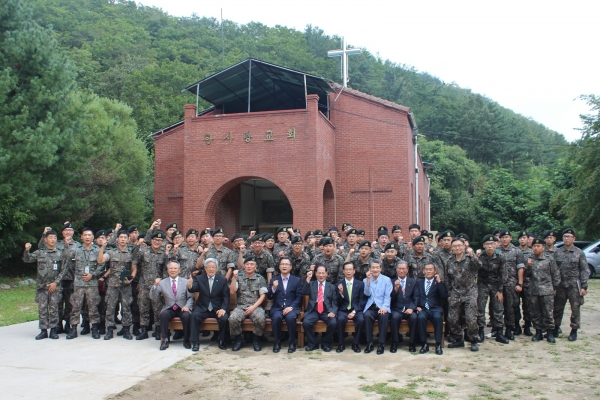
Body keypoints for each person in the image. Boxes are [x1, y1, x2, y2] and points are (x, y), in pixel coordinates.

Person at [23, 230, 66, 340]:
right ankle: (43, 330)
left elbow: (64, 270)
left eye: (54, 238)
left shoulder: (61, 252)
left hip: (55, 286)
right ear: (45, 239)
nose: (53, 239)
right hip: (42, 286)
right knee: (42, 309)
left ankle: (53, 330)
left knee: (54, 309)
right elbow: (27, 259)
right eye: (50, 237)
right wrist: (26, 251)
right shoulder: (40, 252)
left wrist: (55, 283)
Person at [63, 227, 104, 340]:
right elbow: (66, 258)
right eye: (85, 235)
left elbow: (101, 265)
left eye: (89, 235)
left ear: (93, 237)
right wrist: (66, 246)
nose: (87, 237)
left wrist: (93, 275)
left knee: (93, 307)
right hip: (79, 284)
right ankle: (73, 329)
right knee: (75, 307)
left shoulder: (97, 250)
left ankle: (94, 329)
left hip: (92, 284)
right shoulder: (76, 249)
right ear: (81, 237)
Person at [98, 230, 137, 340]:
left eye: (125, 237)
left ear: (128, 239)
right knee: (110, 307)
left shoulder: (131, 252)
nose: (123, 239)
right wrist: (102, 248)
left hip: (126, 284)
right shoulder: (111, 252)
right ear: (117, 239)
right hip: (112, 284)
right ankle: (109, 330)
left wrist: (131, 279)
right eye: (121, 237)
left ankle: (126, 330)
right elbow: (100, 260)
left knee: (126, 307)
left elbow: (134, 268)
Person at [553, 228, 589, 341]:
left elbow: (584, 270)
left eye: (569, 236)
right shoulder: (557, 252)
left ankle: (574, 330)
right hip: (560, 285)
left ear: (574, 238)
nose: (566, 238)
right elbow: (554, 270)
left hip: (574, 285)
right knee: (557, 308)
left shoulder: (579, 253)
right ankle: (555, 328)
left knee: (575, 308)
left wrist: (584, 286)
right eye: (565, 236)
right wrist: (554, 286)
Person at [446, 238, 481, 352]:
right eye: (455, 246)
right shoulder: (449, 261)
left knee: (471, 318)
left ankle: (473, 340)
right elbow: (448, 279)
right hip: (455, 292)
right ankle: (458, 339)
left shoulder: (470, 257)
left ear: (464, 246)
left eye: (459, 245)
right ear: (452, 248)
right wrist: (449, 293)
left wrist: (472, 255)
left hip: (470, 291)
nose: (457, 248)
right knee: (452, 318)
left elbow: (479, 266)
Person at [150, 261, 194, 350]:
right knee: (163, 315)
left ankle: (186, 340)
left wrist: (187, 306)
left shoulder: (185, 281)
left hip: (182, 307)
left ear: (179, 270)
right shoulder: (162, 282)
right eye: (171, 268)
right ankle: (165, 340)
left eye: (175, 268)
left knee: (186, 316)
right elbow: (153, 297)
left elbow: (190, 297)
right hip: (169, 307)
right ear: (167, 270)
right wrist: (155, 285)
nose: (173, 270)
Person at [188, 258, 229, 351]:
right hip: (203, 307)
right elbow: (194, 288)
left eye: (213, 267)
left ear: (216, 268)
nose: (211, 269)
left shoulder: (222, 280)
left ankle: (221, 340)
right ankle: (195, 342)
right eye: (209, 267)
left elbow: (226, 297)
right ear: (205, 268)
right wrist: (190, 286)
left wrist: (223, 309)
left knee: (224, 318)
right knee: (194, 316)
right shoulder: (200, 278)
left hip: (217, 308)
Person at [133, 231, 168, 340]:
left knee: (157, 308)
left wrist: (163, 285)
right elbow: (134, 258)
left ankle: (158, 330)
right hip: (144, 284)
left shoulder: (164, 253)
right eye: (155, 240)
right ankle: (144, 330)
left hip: (157, 286)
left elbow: (166, 270)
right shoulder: (144, 251)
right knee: (143, 308)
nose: (157, 242)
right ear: (151, 241)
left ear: (163, 242)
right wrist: (139, 244)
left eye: (160, 240)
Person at [229, 256, 268, 351]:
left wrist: (253, 307)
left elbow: (263, 295)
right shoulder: (239, 277)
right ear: (244, 266)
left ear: (255, 267)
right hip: (241, 306)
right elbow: (232, 291)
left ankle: (256, 339)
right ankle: (239, 339)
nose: (249, 266)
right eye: (247, 264)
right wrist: (234, 278)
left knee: (260, 318)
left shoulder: (260, 278)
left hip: (255, 306)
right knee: (232, 318)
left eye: (252, 265)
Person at [476, 235, 509, 344]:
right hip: (482, 284)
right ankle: (480, 331)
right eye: (487, 244)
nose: (489, 246)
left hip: (496, 285)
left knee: (498, 308)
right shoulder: (480, 256)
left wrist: (500, 290)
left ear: (495, 245)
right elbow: (475, 271)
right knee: (480, 308)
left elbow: (503, 274)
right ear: (484, 245)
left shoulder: (501, 256)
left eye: (492, 244)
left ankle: (499, 332)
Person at [527, 238, 561, 343]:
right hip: (534, 290)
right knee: (535, 313)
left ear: (543, 247)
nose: (536, 248)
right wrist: (528, 266)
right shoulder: (530, 259)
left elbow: (556, 275)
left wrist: (554, 288)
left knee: (548, 312)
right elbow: (526, 276)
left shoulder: (550, 259)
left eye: (538, 246)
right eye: (534, 246)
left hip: (547, 290)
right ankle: (538, 333)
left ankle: (550, 333)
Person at [267, 257, 303, 353]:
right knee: (276, 318)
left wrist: (291, 307)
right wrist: (273, 288)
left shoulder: (296, 280)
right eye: (282, 264)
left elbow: (299, 296)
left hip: (291, 308)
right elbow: (269, 297)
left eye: (286, 264)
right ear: (279, 267)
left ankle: (292, 342)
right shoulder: (274, 280)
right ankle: (277, 342)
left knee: (290, 318)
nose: (284, 266)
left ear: (290, 267)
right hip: (277, 308)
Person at [302, 265, 338, 352]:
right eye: (319, 273)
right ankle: (313, 344)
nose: (321, 275)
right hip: (313, 310)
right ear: (316, 274)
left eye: (323, 273)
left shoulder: (332, 287)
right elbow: (304, 292)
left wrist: (333, 312)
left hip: (326, 311)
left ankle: (326, 344)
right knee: (306, 322)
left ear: (326, 274)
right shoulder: (311, 284)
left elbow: (335, 302)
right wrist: (308, 278)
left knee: (333, 323)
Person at [497, 229, 526, 338]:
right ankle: (498, 328)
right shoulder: (496, 250)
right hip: (498, 283)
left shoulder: (516, 251)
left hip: (511, 283)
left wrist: (520, 284)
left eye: (507, 237)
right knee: (498, 307)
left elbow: (520, 268)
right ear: (500, 239)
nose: (504, 239)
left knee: (511, 306)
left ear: (511, 238)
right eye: (502, 237)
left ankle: (510, 328)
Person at [414, 263, 447, 355]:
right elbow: (415, 296)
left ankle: (438, 344)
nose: (428, 271)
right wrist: (416, 306)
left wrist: (439, 282)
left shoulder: (439, 282)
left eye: (430, 269)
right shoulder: (418, 282)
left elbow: (444, 296)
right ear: (423, 271)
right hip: (423, 309)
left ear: (435, 271)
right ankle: (424, 343)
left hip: (435, 308)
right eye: (426, 269)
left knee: (437, 318)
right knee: (420, 318)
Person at [363, 260, 393, 354]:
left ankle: (381, 344)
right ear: (369, 269)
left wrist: (384, 307)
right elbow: (366, 294)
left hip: (382, 306)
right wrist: (368, 281)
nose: (375, 269)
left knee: (384, 317)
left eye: (377, 267)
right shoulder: (365, 280)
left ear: (381, 269)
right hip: (371, 306)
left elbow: (388, 296)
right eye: (373, 267)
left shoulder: (387, 280)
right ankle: (369, 343)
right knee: (367, 316)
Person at [335, 262, 366, 353]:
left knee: (361, 320)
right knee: (340, 319)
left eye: (350, 269)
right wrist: (340, 294)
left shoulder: (360, 284)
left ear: (354, 271)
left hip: (356, 310)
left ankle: (355, 343)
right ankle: (341, 344)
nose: (348, 271)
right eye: (346, 269)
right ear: (343, 271)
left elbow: (362, 300)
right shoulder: (338, 284)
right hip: (343, 309)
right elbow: (337, 302)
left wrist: (354, 311)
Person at [389, 261, 418, 352]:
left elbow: (416, 297)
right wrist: (396, 289)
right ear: (396, 270)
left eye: (403, 269)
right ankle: (394, 342)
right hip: (396, 309)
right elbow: (390, 298)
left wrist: (411, 308)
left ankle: (412, 343)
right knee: (394, 318)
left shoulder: (413, 282)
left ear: (407, 270)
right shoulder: (391, 281)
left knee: (414, 317)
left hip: (409, 309)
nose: (401, 271)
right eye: (399, 269)